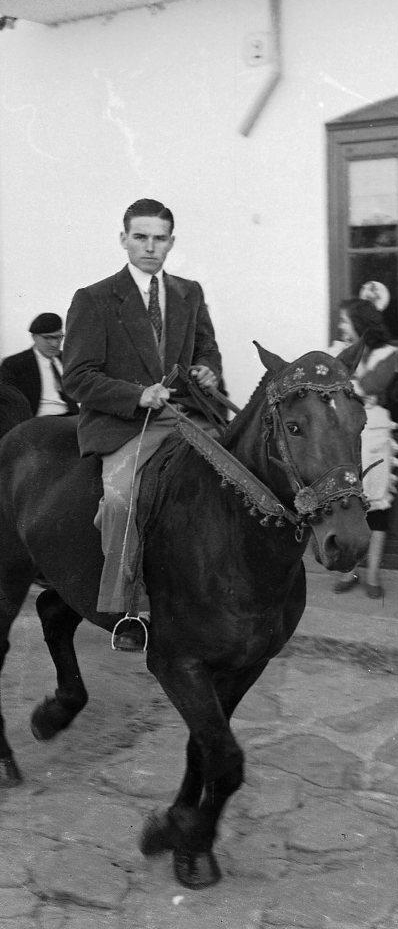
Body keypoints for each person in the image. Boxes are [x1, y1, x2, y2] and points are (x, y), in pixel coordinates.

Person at [63, 198, 223, 649]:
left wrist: (208, 370)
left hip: (184, 417)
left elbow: (207, 349)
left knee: (240, 478)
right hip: (124, 426)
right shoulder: (93, 299)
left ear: (171, 242)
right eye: (141, 237)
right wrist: (137, 395)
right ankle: (128, 608)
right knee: (119, 501)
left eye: (159, 238)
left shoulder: (189, 293)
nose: (150, 247)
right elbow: (78, 377)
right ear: (124, 239)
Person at [329, 298, 398, 599]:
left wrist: (350, 385)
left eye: (345, 320)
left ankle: (372, 572)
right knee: (346, 502)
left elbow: (370, 384)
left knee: (376, 501)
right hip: (344, 432)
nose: (340, 325)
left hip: (375, 433)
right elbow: (331, 385)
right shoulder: (335, 350)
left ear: (359, 322)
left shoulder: (388, 353)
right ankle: (349, 568)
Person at [0, 313, 79, 417]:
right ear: (34, 337)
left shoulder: (67, 359)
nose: (55, 344)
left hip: (73, 418)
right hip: (37, 421)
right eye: (48, 338)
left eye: (59, 337)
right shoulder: (15, 364)